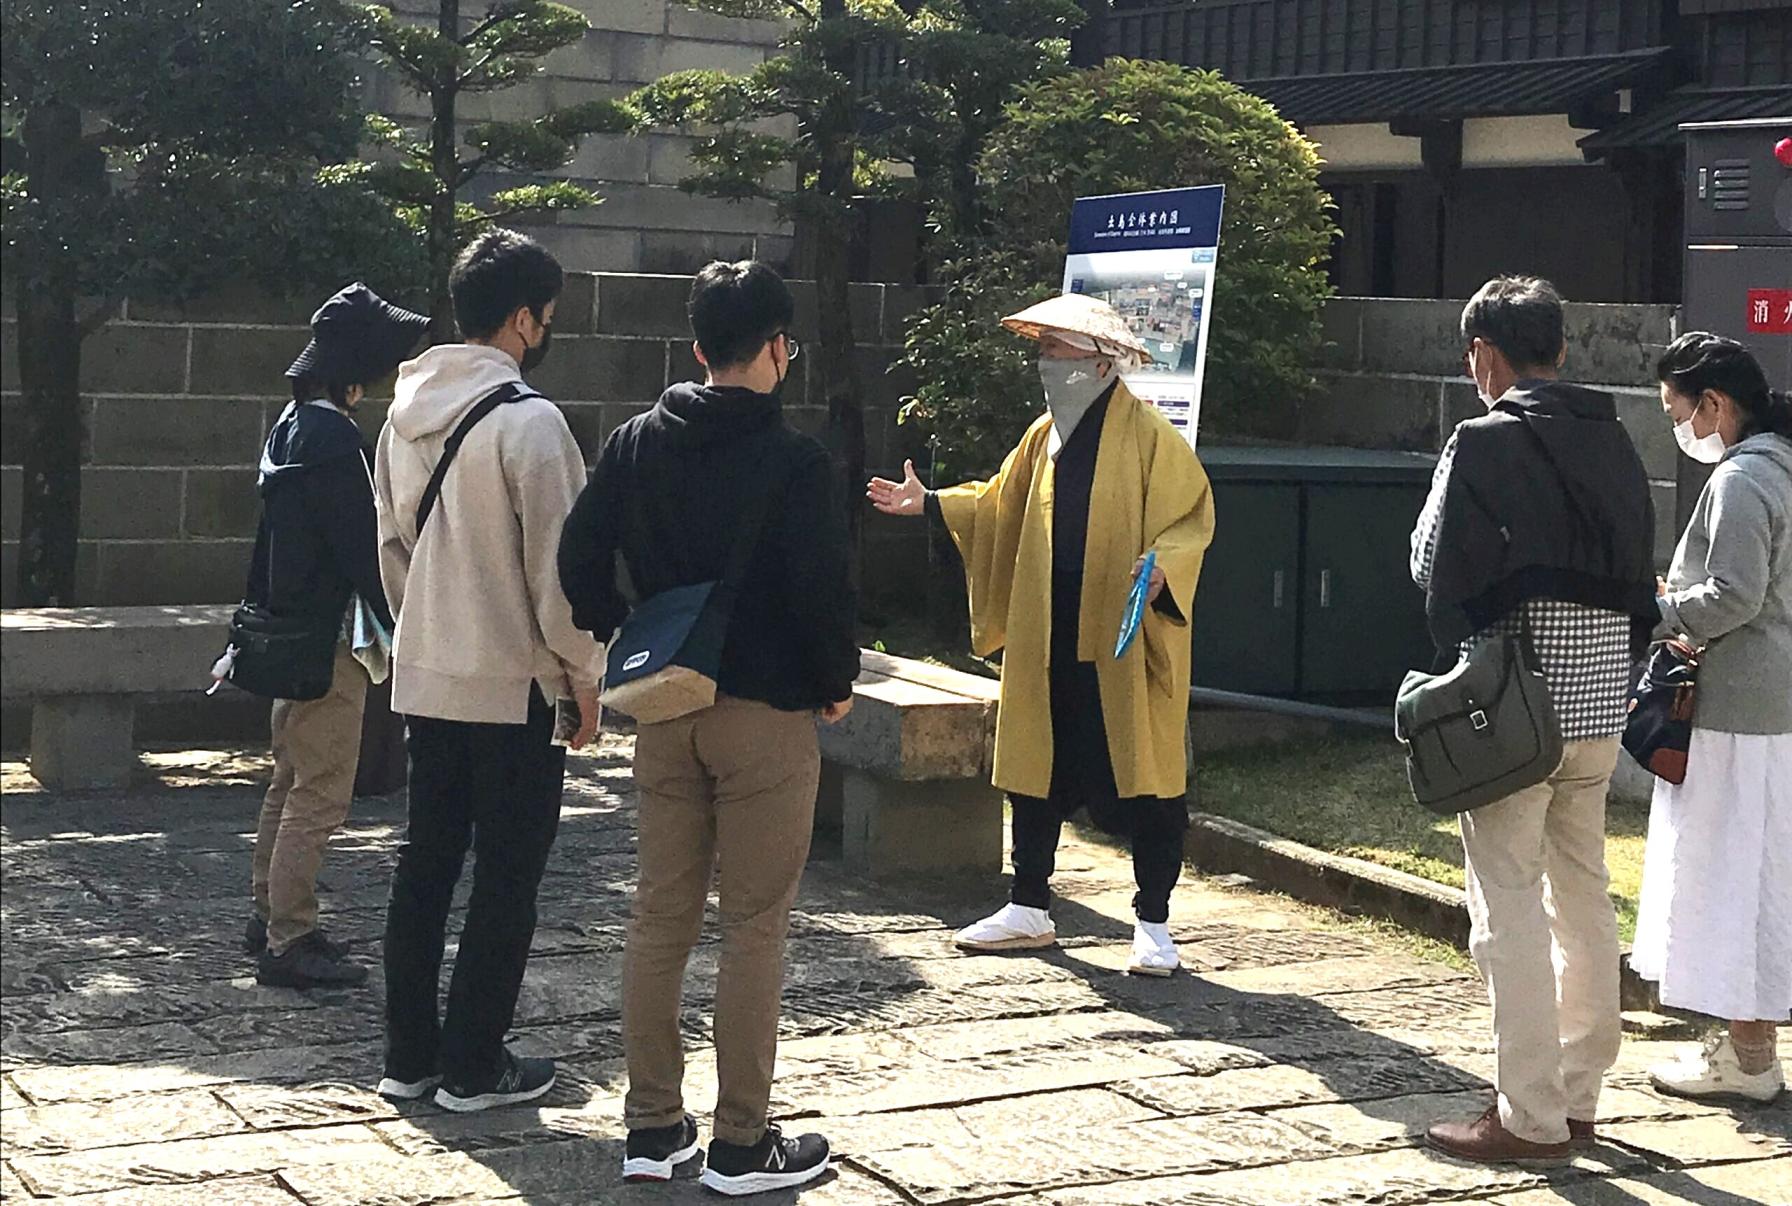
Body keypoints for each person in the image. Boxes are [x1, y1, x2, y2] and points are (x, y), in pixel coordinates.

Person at [558, 261, 857, 1196]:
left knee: (659, 914)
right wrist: (834, 682)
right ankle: (740, 1143)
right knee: (755, 925)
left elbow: (576, 559)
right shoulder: (798, 462)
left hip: (663, 709)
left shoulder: (636, 442)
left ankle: (651, 1129)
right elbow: (822, 594)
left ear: (696, 349)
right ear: (774, 349)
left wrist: (623, 629)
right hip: (765, 712)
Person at [868, 293, 1215, 977]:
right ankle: (1028, 903)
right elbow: (999, 499)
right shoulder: (1043, 436)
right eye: (1044, 350)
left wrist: (1163, 570)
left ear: (1099, 361)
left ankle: (1152, 921)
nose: (1045, 363)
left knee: (1144, 775)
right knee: (1036, 766)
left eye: (1057, 351)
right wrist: (931, 503)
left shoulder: (1151, 438)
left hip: (1118, 634)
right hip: (1049, 624)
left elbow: (1190, 520)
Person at [1414, 277, 1658, 1165]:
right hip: (1600, 705)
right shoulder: (1619, 439)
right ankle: (1580, 1094)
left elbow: (1431, 559)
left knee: (1506, 906)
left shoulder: (1481, 441)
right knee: (1583, 896)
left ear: (1487, 354)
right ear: (1559, 347)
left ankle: (1527, 1115)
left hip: (1512, 710)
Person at [373, 229, 603, 1113]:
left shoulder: (401, 415)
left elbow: (393, 546)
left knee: (423, 864)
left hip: (428, 671)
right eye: (544, 316)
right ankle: (476, 1063)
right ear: (522, 319)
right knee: (507, 876)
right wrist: (582, 673)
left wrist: (425, 630)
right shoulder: (531, 423)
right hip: (515, 686)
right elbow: (561, 576)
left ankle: (409, 1054)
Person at [245, 283, 426, 990]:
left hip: (286, 632)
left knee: (288, 779)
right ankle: (290, 936)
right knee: (320, 791)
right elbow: (363, 549)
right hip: (328, 640)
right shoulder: (337, 440)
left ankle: (268, 915)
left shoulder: (290, 428)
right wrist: (404, 619)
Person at [1631, 333, 1792, 1105]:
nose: (1678, 426)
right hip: (1777, 707)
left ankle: (1750, 1057)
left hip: (1737, 709)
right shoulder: (1782, 470)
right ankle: (1749, 1047)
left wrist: (1661, 609)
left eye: (1676, 409)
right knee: (1764, 878)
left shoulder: (1742, 481)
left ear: (1715, 405)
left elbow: (1733, 594)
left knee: (1732, 877)